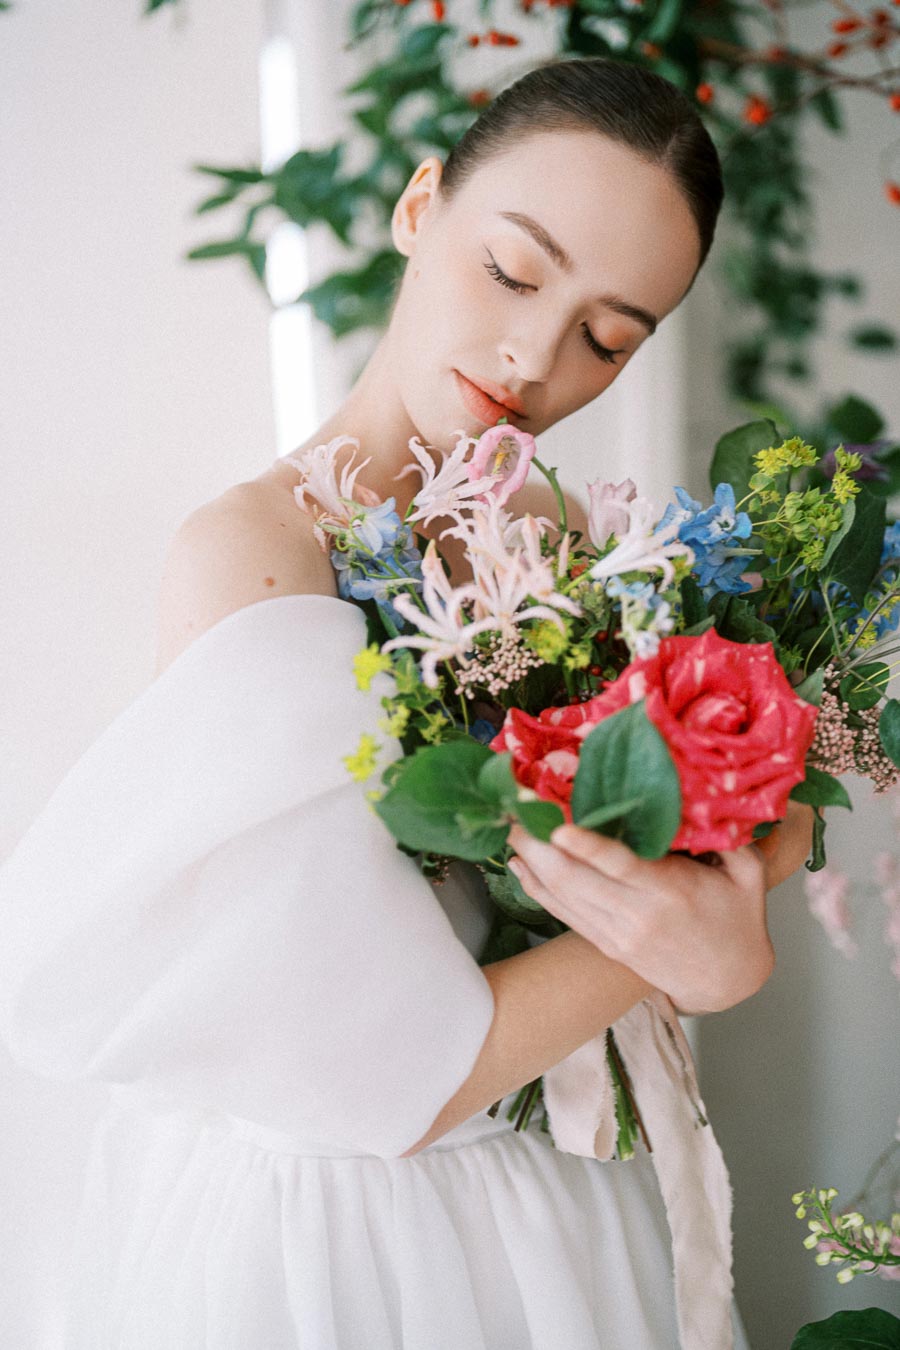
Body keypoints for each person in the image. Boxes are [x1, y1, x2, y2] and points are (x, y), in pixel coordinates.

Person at [0, 57, 814, 1350]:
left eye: (608, 337)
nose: (535, 356)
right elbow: (380, 1068)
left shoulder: (568, 546)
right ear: (421, 207)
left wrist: (757, 828)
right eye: (513, 270)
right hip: (346, 1241)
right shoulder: (257, 555)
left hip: (551, 1201)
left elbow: (706, 829)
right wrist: (687, 950)